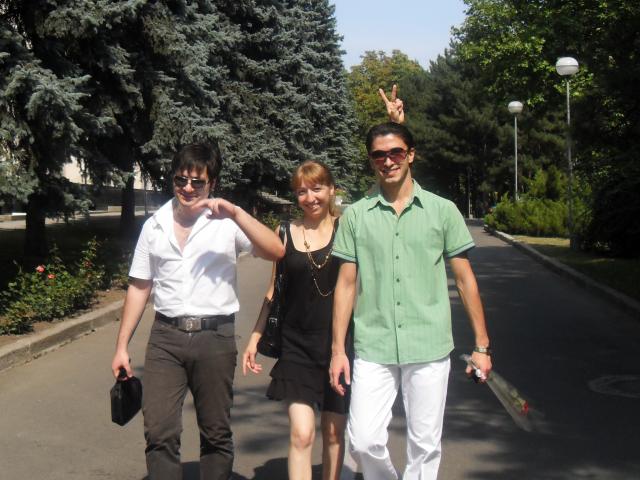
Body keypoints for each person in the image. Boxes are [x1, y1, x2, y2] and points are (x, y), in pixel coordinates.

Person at [110, 142, 285, 480]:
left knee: (215, 432)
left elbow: (275, 250)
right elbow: (139, 286)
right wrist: (121, 346)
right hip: (165, 339)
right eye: (181, 180)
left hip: (215, 338)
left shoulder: (226, 223)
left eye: (197, 182)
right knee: (158, 431)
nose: (188, 188)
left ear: (211, 183)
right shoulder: (154, 225)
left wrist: (236, 212)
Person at [328, 121, 492, 480]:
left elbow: (465, 280)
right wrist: (338, 350)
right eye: (379, 155)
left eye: (396, 152)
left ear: (411, 155)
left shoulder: (442, 210)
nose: (388, 161)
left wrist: (482, 346)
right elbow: (346, 284)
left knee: (425, 445)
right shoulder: (356, 216)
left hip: (428, 343)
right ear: (371, 161)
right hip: (374, 344)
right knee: (363, 440)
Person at [242, 160, 349, 480]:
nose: (310, 197)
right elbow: (273, 290)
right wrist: (255, 336)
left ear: (331, 190)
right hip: (296, 345)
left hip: (337, 345)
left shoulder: (347, 230)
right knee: (302, 434)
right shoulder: (286, 232)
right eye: (302, 191)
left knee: (333, 434)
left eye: (317, 189)